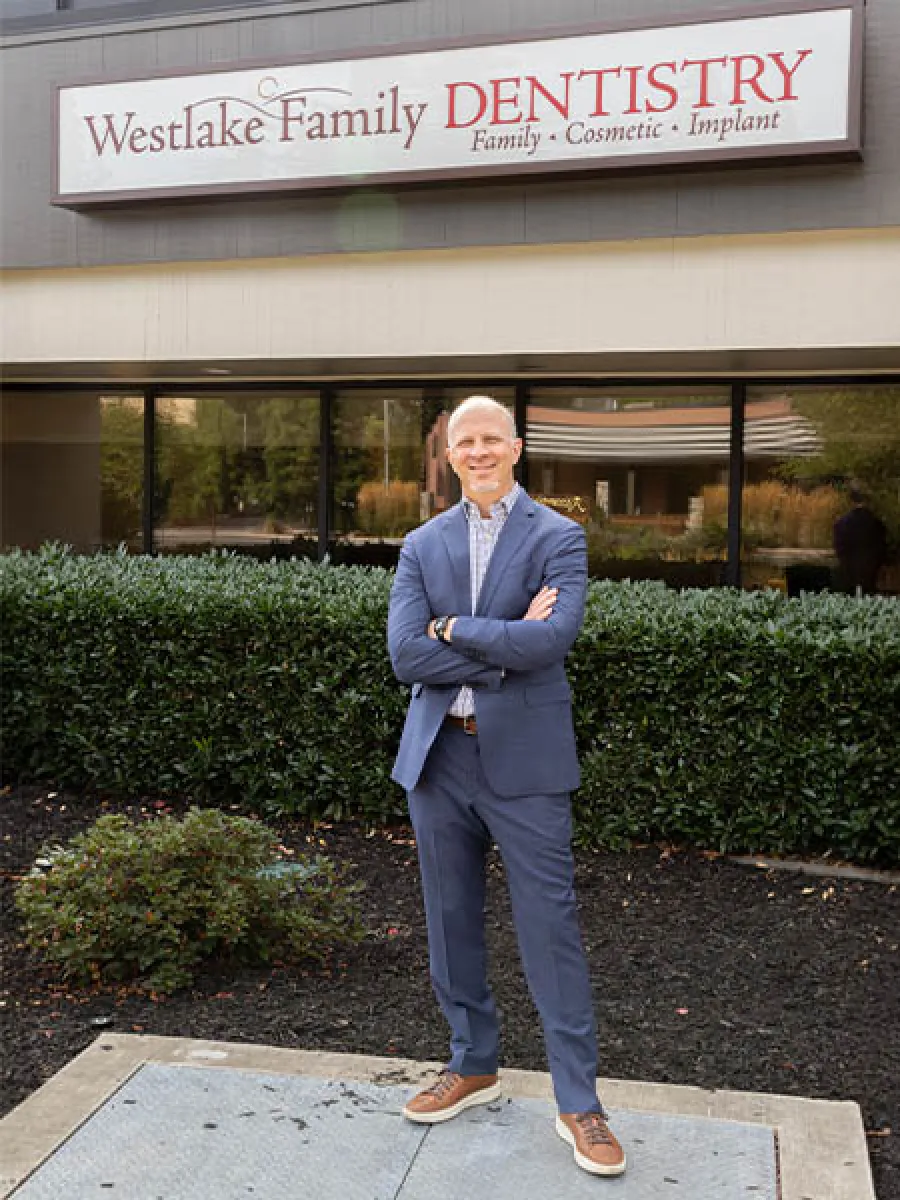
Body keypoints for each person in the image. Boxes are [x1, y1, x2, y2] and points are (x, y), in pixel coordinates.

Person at [386, 395, 626, 1178]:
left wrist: (452, 628)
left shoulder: (559, 536)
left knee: (549, 930)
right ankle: (473, 1062)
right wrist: (503, 645)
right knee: (450, 921)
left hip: (525, 765)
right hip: (439, 759)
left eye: (492, 439)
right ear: (449, 456)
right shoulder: (422, 544)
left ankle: (579, 1102)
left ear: (516, 447)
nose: (479, 452)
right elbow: (405, 658)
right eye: (465, 442)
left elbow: (553, 638)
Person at [833, 485, 888, 596]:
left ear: (851, 501)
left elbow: (839, 547)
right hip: (870, 569)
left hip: (849, 570)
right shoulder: (876, 522)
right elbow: (882, 547)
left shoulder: (842, 523)